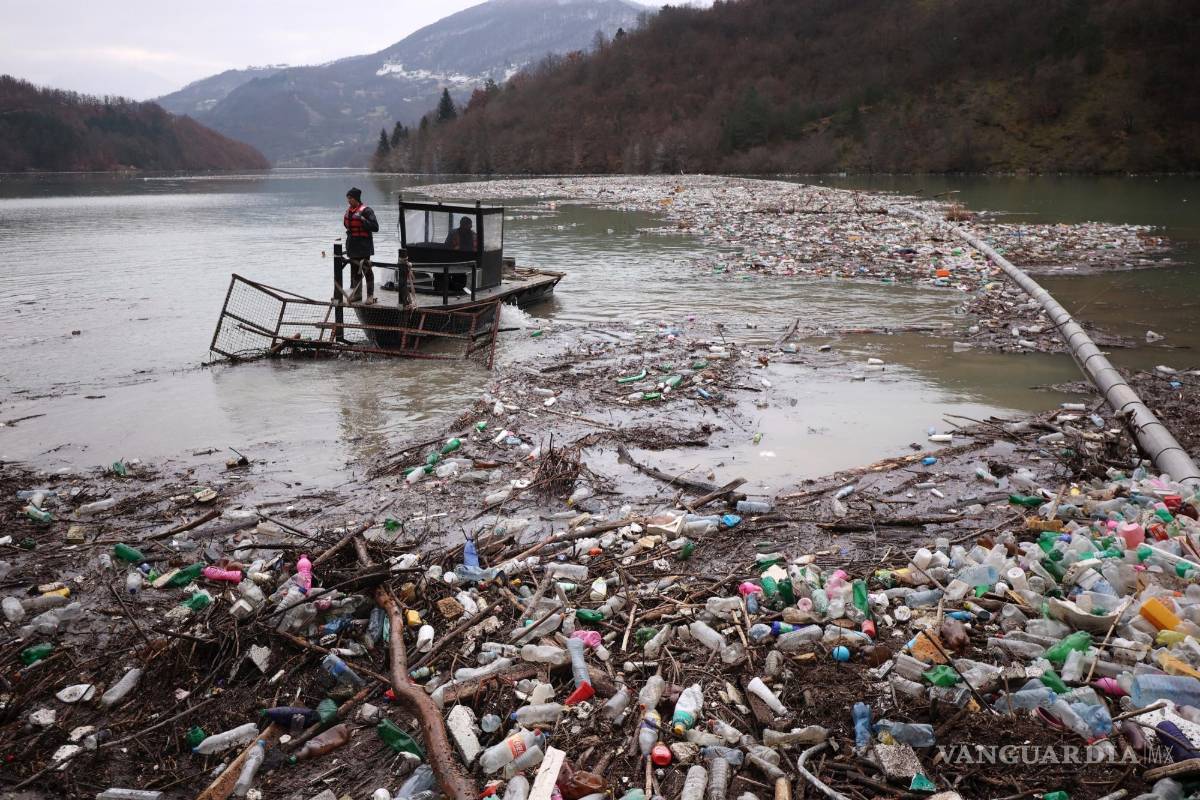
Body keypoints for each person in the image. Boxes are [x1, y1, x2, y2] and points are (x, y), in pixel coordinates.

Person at [343, 187, 379, 304]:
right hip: (352, 245)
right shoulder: (348, 211)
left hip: (364, 245)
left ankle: (370, 296)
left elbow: (375, 227)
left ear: (356, 199)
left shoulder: (367, 211)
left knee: (366, 270)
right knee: (355, 271)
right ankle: (357, 295)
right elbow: (346, 225)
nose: (349, 201)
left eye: (350, 198)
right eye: (348, 198)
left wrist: (363, 220)